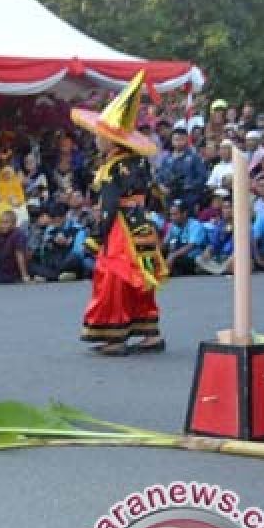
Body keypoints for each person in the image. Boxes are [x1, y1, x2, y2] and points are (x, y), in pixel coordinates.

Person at [72, 72, 169, 356]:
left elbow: (109, 206)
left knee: (113, 277)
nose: (96, 140)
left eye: (100, 136)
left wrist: (95, 237)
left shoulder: (113, 167)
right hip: (141, 224)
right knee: (141, 277)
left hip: (120, 229)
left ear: (112, 141)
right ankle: (150, 334)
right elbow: (151, 196)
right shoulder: (140, 162)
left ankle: (115, 336)